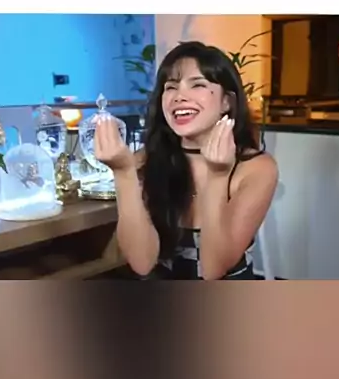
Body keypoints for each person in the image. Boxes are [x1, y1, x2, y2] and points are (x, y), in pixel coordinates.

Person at [94, 41, 278, 280]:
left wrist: (218, 175)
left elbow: (213, 270)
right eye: (171, 87)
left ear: (226, 102)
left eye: (198, 84)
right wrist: (123, 173)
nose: (179, 96)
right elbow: (142, 264)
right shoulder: (146, 160)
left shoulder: (256, 168)